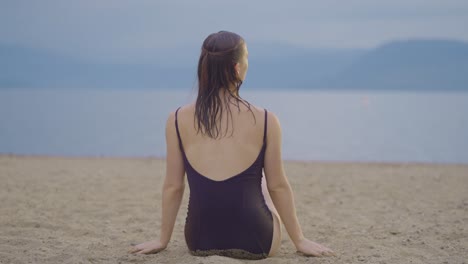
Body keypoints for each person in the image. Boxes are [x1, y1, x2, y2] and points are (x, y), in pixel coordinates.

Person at [130, 31, 334, 259]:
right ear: (237, 68)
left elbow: (173, 186)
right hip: (257, 240)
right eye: (247, 58)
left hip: (200, 241)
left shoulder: (177, 119)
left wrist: (162, 239)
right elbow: (279, 186)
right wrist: (300, 240)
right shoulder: (266, 120)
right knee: (265, 180)